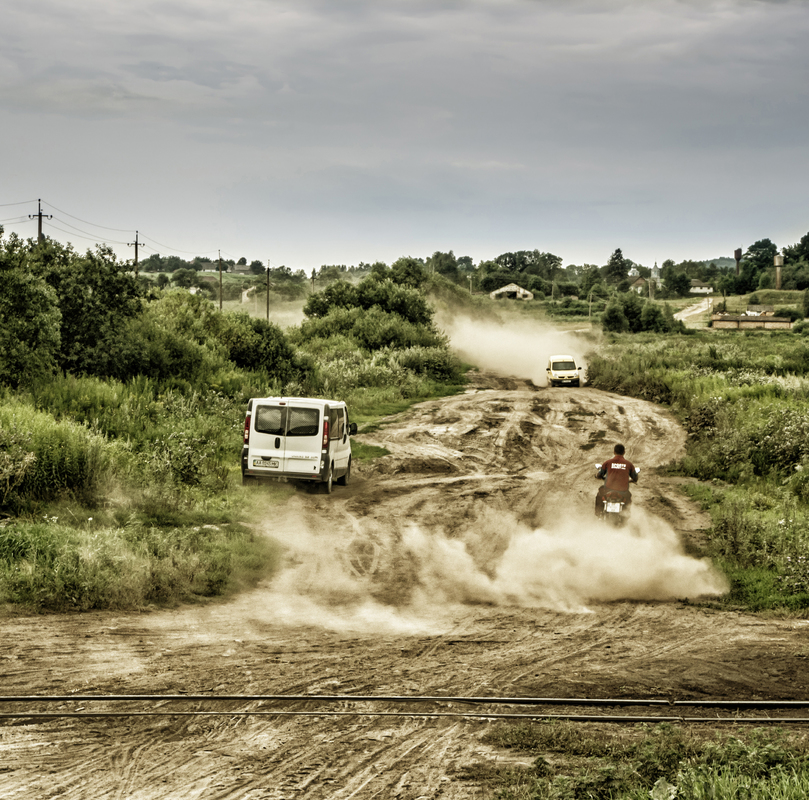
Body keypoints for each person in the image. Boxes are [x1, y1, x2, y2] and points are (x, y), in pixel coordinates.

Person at [595, 443, 638, 516]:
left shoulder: (608, 462)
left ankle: (598, 513)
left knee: (599, 495)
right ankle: (626, 513)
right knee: (628, 497)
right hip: (623, 491)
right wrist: (633, 480)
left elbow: (599, 474)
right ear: (624, 452)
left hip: (608, 489)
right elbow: (635, 478)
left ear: (614, 452)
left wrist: (597, 476)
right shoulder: (629, 464)